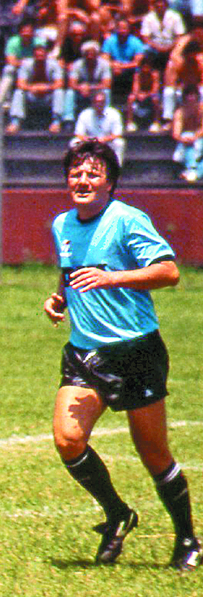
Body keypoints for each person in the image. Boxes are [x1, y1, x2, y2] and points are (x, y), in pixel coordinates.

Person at [42, 139, 198, 572]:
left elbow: (169, 272)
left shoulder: (128, 220)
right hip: (84, 353)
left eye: (93, 173)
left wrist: (114, 279)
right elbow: (71, 273)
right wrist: (59, 298)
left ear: (110, 182)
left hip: (135, 351)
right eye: (76, 173)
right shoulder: (63, 225)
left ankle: (187, 538)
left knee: (153, 454)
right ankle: (116, 514)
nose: (83, 180)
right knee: (68, 440)